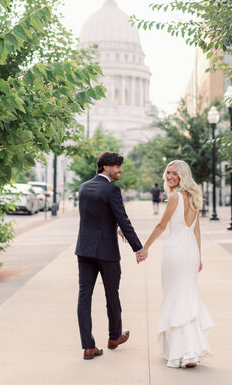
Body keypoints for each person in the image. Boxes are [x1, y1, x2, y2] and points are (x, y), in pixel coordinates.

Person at [140, 159, 214, 368]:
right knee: (186, 296)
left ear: (183, 176)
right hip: (190, 252)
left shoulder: (175, 197)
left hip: (176, 252)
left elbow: (162, 224)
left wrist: (145, 247)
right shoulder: (195, 197)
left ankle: (184, 352)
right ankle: (190, 350)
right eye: (168, 173)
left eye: (174, 173)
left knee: (175, 297)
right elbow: (197, 230)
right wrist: (198, 256)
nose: (170, 176)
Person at [75, 151, 146, 360]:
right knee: (111, 294)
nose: (120, 170)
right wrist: (138, 248)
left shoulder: (83, 188)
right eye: (117, 166)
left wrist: (113, 227)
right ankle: (114, 337)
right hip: (106, 251)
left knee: (84, 297)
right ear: (106, 167)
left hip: (84, 249)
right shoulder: (112, 190)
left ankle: (88, 347)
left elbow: (95, 216)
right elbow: (123, 220)